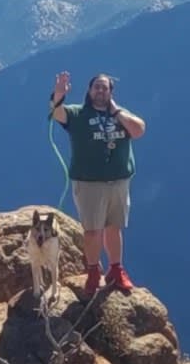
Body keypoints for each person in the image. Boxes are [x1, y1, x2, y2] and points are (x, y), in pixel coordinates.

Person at [51, 71, 146, 296]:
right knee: (92, 230)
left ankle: (116, 269)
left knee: (114, 227)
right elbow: (57, 114)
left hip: (119, 181)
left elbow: (138, 130)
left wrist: (116, 111)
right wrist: (59, 94)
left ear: (111, 93)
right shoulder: (79, 114)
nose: (100, 91)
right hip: (90, 183)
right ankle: (93, 272)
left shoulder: (121, 116)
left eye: (105, 88)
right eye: (97, 87)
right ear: (89, 90)